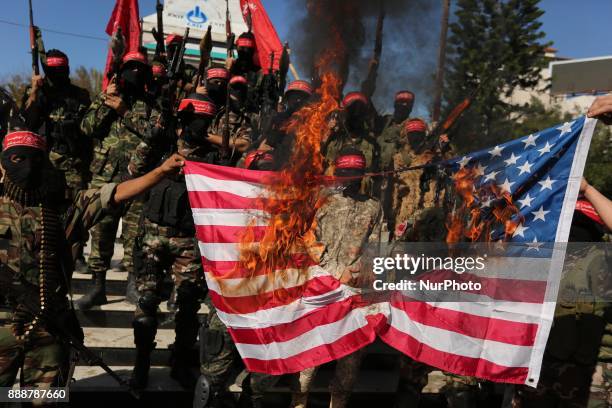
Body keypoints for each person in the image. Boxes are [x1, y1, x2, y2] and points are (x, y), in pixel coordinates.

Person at [0, 129, 185, 391]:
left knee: (46, 400)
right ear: (3, 164)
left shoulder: (64, 207)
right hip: (3, 322)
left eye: (35, 159)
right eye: (17, 159)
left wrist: (161, 172)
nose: (28, 167)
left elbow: (116, 193)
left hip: (49, 325)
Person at [129, 93, 217, 390]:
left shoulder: (213, 154)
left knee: (189, 305)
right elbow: (134, 170)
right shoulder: (162, 144)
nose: (199, 126)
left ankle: (180, 363)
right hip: (153, 234)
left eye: (205, 121)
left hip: (188, 239)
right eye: (195, 119)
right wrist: (153, 136)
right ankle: (141, 363)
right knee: (146, 301)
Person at [290, 146, 384, 408]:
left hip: (356, 292)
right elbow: (306, 240)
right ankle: (299, 403)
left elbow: (376, 246)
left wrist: (362, 270)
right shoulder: (321, 200)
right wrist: (333, 268)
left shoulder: (373, 207)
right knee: (309, 358)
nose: (350, 179)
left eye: (355, 174)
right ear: (336, 172)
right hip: (320, 286)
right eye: (345, 173)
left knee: (350, 362)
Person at [76, 51, 160, 309]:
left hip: (138, 179)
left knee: (136, 235)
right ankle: (97, 287)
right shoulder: (106, 99)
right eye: (129, 67)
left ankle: (132, 285)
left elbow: (153, 133)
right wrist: (106, 100)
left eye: (139, 68)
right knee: (101, 233)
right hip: (106, 177)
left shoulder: (151, 104)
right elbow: (87, 128)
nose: (134, 73)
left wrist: (123, 110)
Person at [22, 49, 92, 266]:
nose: (57, 74)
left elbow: (89, 131)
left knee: (75, 209)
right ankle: (42, 249)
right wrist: (34, 91)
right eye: (52, 70)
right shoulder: (37, 92)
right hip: (45, 163)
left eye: (60, 70)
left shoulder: (80, 95)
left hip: (73, 162)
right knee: (44, 209)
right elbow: (27, 123)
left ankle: (76, 253)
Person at [323, 91, 381, 197]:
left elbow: (376, 176)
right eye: (352, 111)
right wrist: (328, 132)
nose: (356, 115)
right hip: (333, 198)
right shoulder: (334, 140)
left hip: (362, 202)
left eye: (360, 112)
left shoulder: (372, 145)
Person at [207, 75, 254, 165]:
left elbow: (244, 144)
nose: (237, 92)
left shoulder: (245, 117)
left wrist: (209, 137)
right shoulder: (212, 107)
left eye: (241, 89)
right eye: (234, 88)